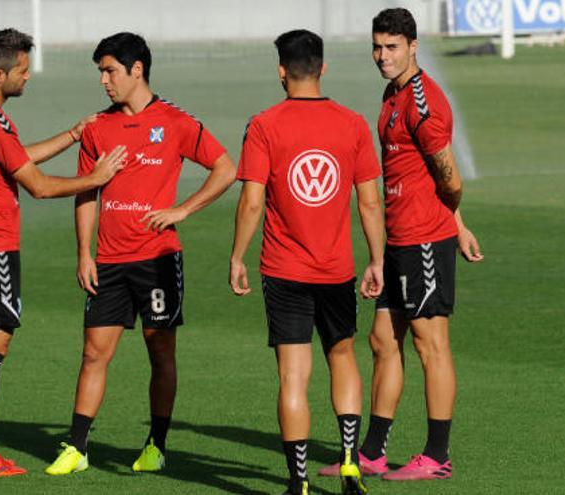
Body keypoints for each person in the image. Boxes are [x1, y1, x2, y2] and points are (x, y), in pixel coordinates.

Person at [45, 32, 236, 476]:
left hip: (157, 260)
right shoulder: (96, 126)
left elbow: (226, 168)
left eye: (109, 71)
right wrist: (83, 253)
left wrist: (183, 209)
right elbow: (86, 192)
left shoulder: (174, 121)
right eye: (100, 72)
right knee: (94, 352)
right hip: (109, 260)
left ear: (137, 70)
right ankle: (76, 447)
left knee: (160, 351)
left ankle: (156, 444)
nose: (104, 81)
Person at [0, 28, 126, 477]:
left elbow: (12, 157)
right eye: (23, 71)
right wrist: (96, 179)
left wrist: (71, 135)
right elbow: (39, 187)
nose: (28, 77)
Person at [318, 8, 484, 482]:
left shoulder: (423, 103)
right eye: (377, 46)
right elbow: (429, 175)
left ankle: (436, 455)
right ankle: (372, 451)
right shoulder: (392, 95)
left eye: (391, 47)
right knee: (381, 341)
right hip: (400, 239)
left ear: (413, 46)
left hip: (424, 239)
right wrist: (459, 221)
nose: (382, 56)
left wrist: (450, 222)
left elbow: (448, 177)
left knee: (431, 344)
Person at [229, 29, 386, 495]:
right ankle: (350, 464)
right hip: (337, 270)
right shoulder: (353, 123)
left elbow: (253, 202)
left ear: (281, 71)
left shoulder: (264, 125)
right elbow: (370, 203)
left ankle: (296, 483)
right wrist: (376, 259)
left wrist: (237, 255)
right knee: (343, 356)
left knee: (293, 375)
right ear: (323, 68)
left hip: (283, 271)